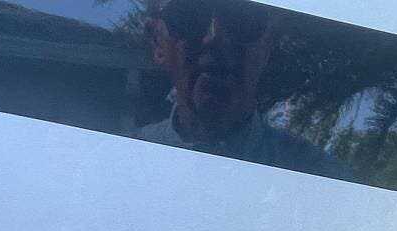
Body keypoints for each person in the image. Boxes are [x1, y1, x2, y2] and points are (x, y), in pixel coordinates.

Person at [137, 0, 351, 180]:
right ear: (157, 41)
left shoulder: (326, 178)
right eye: (190, 14)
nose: (215, 36)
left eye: (241, 17)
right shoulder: (124, 163)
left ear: (269, 42)